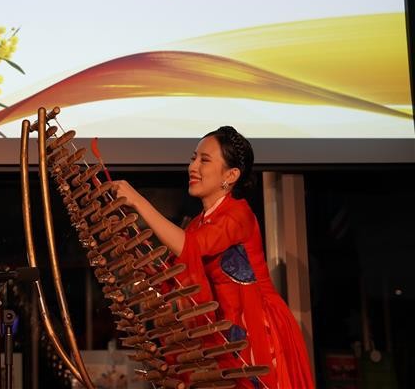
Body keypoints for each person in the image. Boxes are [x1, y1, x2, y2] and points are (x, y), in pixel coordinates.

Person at [112, 126, 314, 389]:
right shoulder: (197, 224)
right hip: (222, 329)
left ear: (230, 175)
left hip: (255, 329)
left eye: (204, 160)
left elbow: (191, 248)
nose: (193, 167)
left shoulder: (237, 214)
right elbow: (175, 272)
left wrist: (139, 202)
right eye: (193, 158)